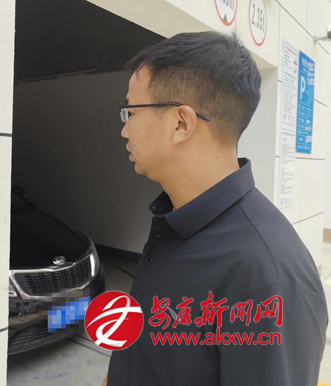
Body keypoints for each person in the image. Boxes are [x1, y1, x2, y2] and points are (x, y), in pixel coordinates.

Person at [102, 32, 327, 386]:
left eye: (131, 112)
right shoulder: (176, 222)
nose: (125, 130)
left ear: (181, 123)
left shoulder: (266, 276)